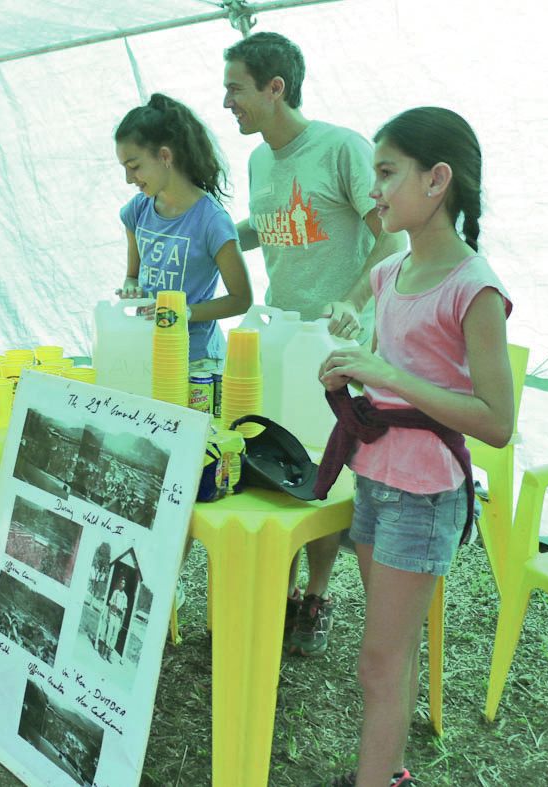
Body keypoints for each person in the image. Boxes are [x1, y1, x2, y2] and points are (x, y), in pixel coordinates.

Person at [316, 107, 513, 786]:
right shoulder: (387, 275)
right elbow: (390, 382)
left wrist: (390, 376)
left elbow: (495, 422)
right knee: (386, 654)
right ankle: (387, 772)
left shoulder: (473, 287)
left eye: (385, 172)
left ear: (436, 180)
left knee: (377, 657)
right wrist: (349, 372)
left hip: (424, 493)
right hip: (374, 476)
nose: (374, 190)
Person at [223, 32, 408, 655]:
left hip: (336, 343)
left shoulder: (341, 149)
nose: (227, 102)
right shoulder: (257, 162)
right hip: (281, 338)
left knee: (325, 467)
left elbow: (393, 238)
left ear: (275, 88)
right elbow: (272, 227)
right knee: (278, 459)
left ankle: (318, 596)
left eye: (236, 89)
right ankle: (281, 588)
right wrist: (210, 235)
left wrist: (354, 300)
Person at [114, 93, 253, 365]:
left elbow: (241, 299)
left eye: (134, 167)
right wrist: (130, 288)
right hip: (149, 352)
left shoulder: (212, 220)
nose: (129, 178)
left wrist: (182, 312)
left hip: (197, 361)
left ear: (165, 156)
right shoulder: (137, 210)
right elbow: (132, 276)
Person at [98, 576, 129, 660]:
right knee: (109, 631)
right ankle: (104, 652)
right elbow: (110, 601)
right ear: (119, 584)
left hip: (118, 617)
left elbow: (124, 611)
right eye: (121, 583)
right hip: (112, 614)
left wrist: (122, 622)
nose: (122, 584)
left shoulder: (125, 597)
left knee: (115, 634)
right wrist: (112, 605)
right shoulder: (115, 592)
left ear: (125, 585)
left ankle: (109, 654)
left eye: (124, 583)